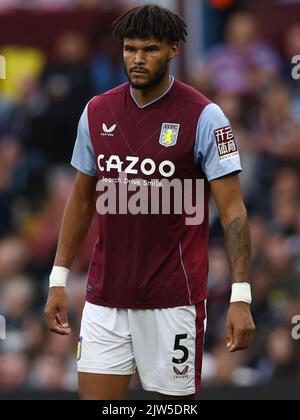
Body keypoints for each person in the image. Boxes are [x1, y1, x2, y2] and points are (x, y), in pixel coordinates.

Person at [44, 4, 256, 400]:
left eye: (149, 49)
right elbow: (80, 199)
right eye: (130, 49)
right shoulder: (97, 111)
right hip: (104, 299)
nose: (137, 59)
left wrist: (240, 296)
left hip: (173, 302)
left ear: (174, 49)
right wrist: (58, 278)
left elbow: (233, 212)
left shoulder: (206, 117)